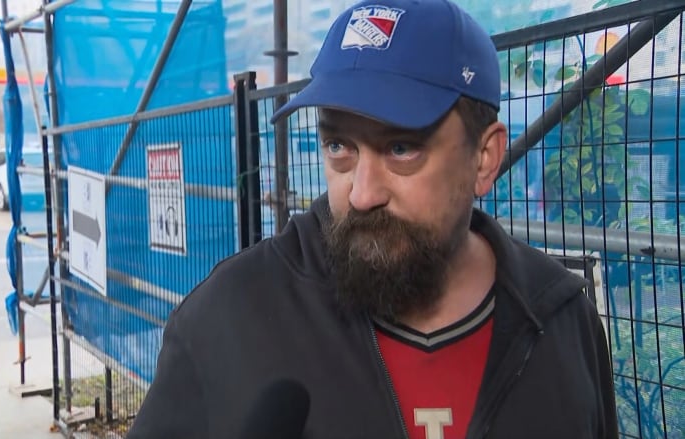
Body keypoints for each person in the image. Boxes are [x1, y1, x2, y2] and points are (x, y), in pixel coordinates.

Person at [128, 0, 618, 437]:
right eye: (338, 146)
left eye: (401, 148)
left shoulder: (560, 319)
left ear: (485, 158)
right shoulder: (230, 317)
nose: (361, 194)